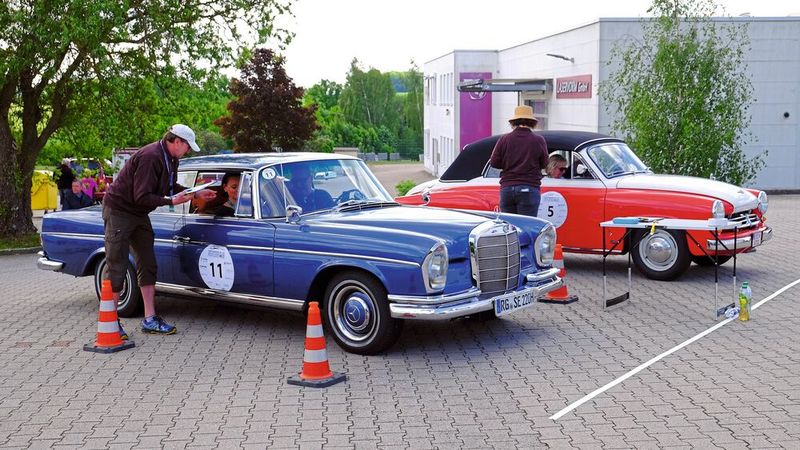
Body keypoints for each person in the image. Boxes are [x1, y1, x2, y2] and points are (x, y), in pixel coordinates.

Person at [102, 124, 216, 337]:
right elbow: (141, 195)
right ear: (177, 141)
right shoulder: (151, 156)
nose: (188, 151)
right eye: (187, 147)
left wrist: (195, 194)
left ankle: (150, 318)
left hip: (139, 213)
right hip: (120, 211)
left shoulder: (171, 157)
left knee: (148, 263)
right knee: (116, 264)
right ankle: (110, 321)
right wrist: (171, 200)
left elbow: (170, 187)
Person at [489, 105, 549, 216]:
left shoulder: (504, 139)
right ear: (532, 122)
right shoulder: (538, 140)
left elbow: (494, 162)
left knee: (510, 227)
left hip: (507, 189)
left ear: (514, 122)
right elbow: (545, 163)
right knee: (526, 227)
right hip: (529, 188)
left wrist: (508, 163)